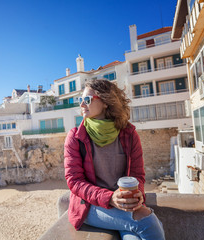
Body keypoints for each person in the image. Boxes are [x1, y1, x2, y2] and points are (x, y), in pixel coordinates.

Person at [64, 79, 165, 240]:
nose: (82, 105)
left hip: (124, 204)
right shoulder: (75, 137)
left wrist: (137, 193)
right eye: (80, 100)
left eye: (87, 100)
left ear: (105, 102)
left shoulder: (129, 134)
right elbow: (74, 180)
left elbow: (137, 174)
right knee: (149, 222)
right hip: (91, 206)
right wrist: (110, 198)